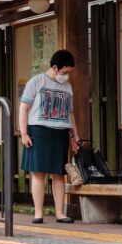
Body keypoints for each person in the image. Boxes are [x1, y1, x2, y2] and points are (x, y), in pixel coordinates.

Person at [19, 49, 78, 224]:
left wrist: (76, 136)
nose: (67, 76)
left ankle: (60, 213)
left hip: (60, 132)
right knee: (38, 173)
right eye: (65, 72)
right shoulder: (36, 82)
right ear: (54, 67)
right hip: (39, 130)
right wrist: (24, 133)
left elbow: (70, 114)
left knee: (59, 174)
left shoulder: (68, 87)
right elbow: (23, 108)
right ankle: (38, 213)